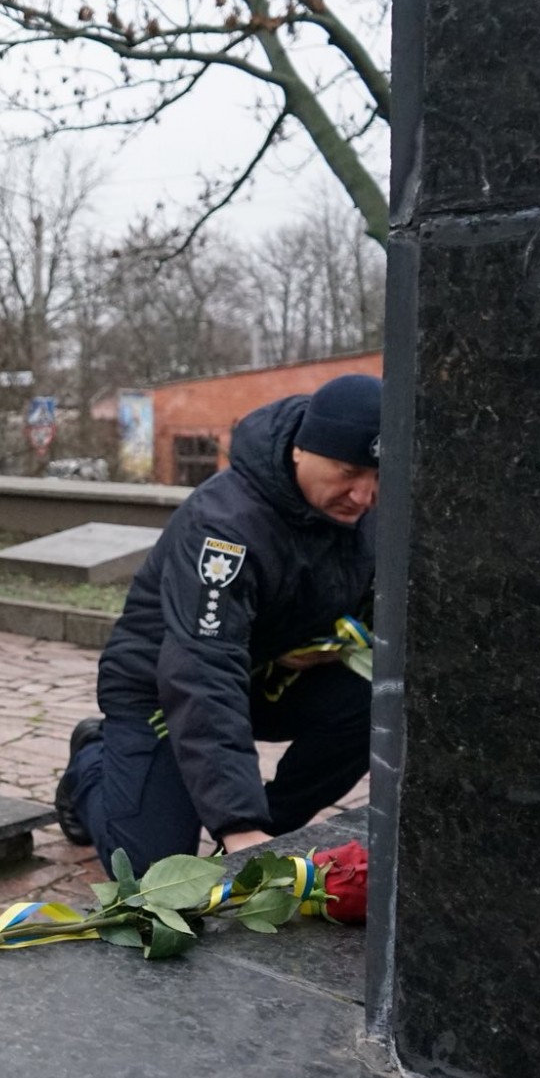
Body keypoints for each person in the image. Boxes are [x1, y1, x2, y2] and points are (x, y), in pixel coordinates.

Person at [55, 374, 381, 876]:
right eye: (349, 472)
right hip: (163, 686)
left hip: (265, 674)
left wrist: (339, 642)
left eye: (379, 476)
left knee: (378, 698)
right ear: (300, 450)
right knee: (153, 873)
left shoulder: (368, 511)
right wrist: (236, 819)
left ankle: (272, 831)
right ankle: (91, 763)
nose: (363, 496)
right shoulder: (226, 525)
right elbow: (203, 666)